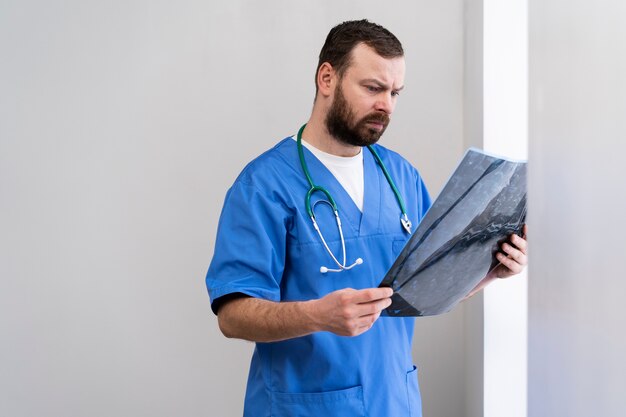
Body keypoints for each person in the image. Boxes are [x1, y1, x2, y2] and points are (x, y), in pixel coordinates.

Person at [205, 19, 527, 417]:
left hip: (393, 400)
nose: (386, 105)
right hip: (305, 406)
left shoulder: (400, 177)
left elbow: (429, 284)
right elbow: (232, 316)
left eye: (395, 92)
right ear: (327, 78)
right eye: (373, 88)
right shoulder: (264, 184)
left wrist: (491, 271)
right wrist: (317, 315)